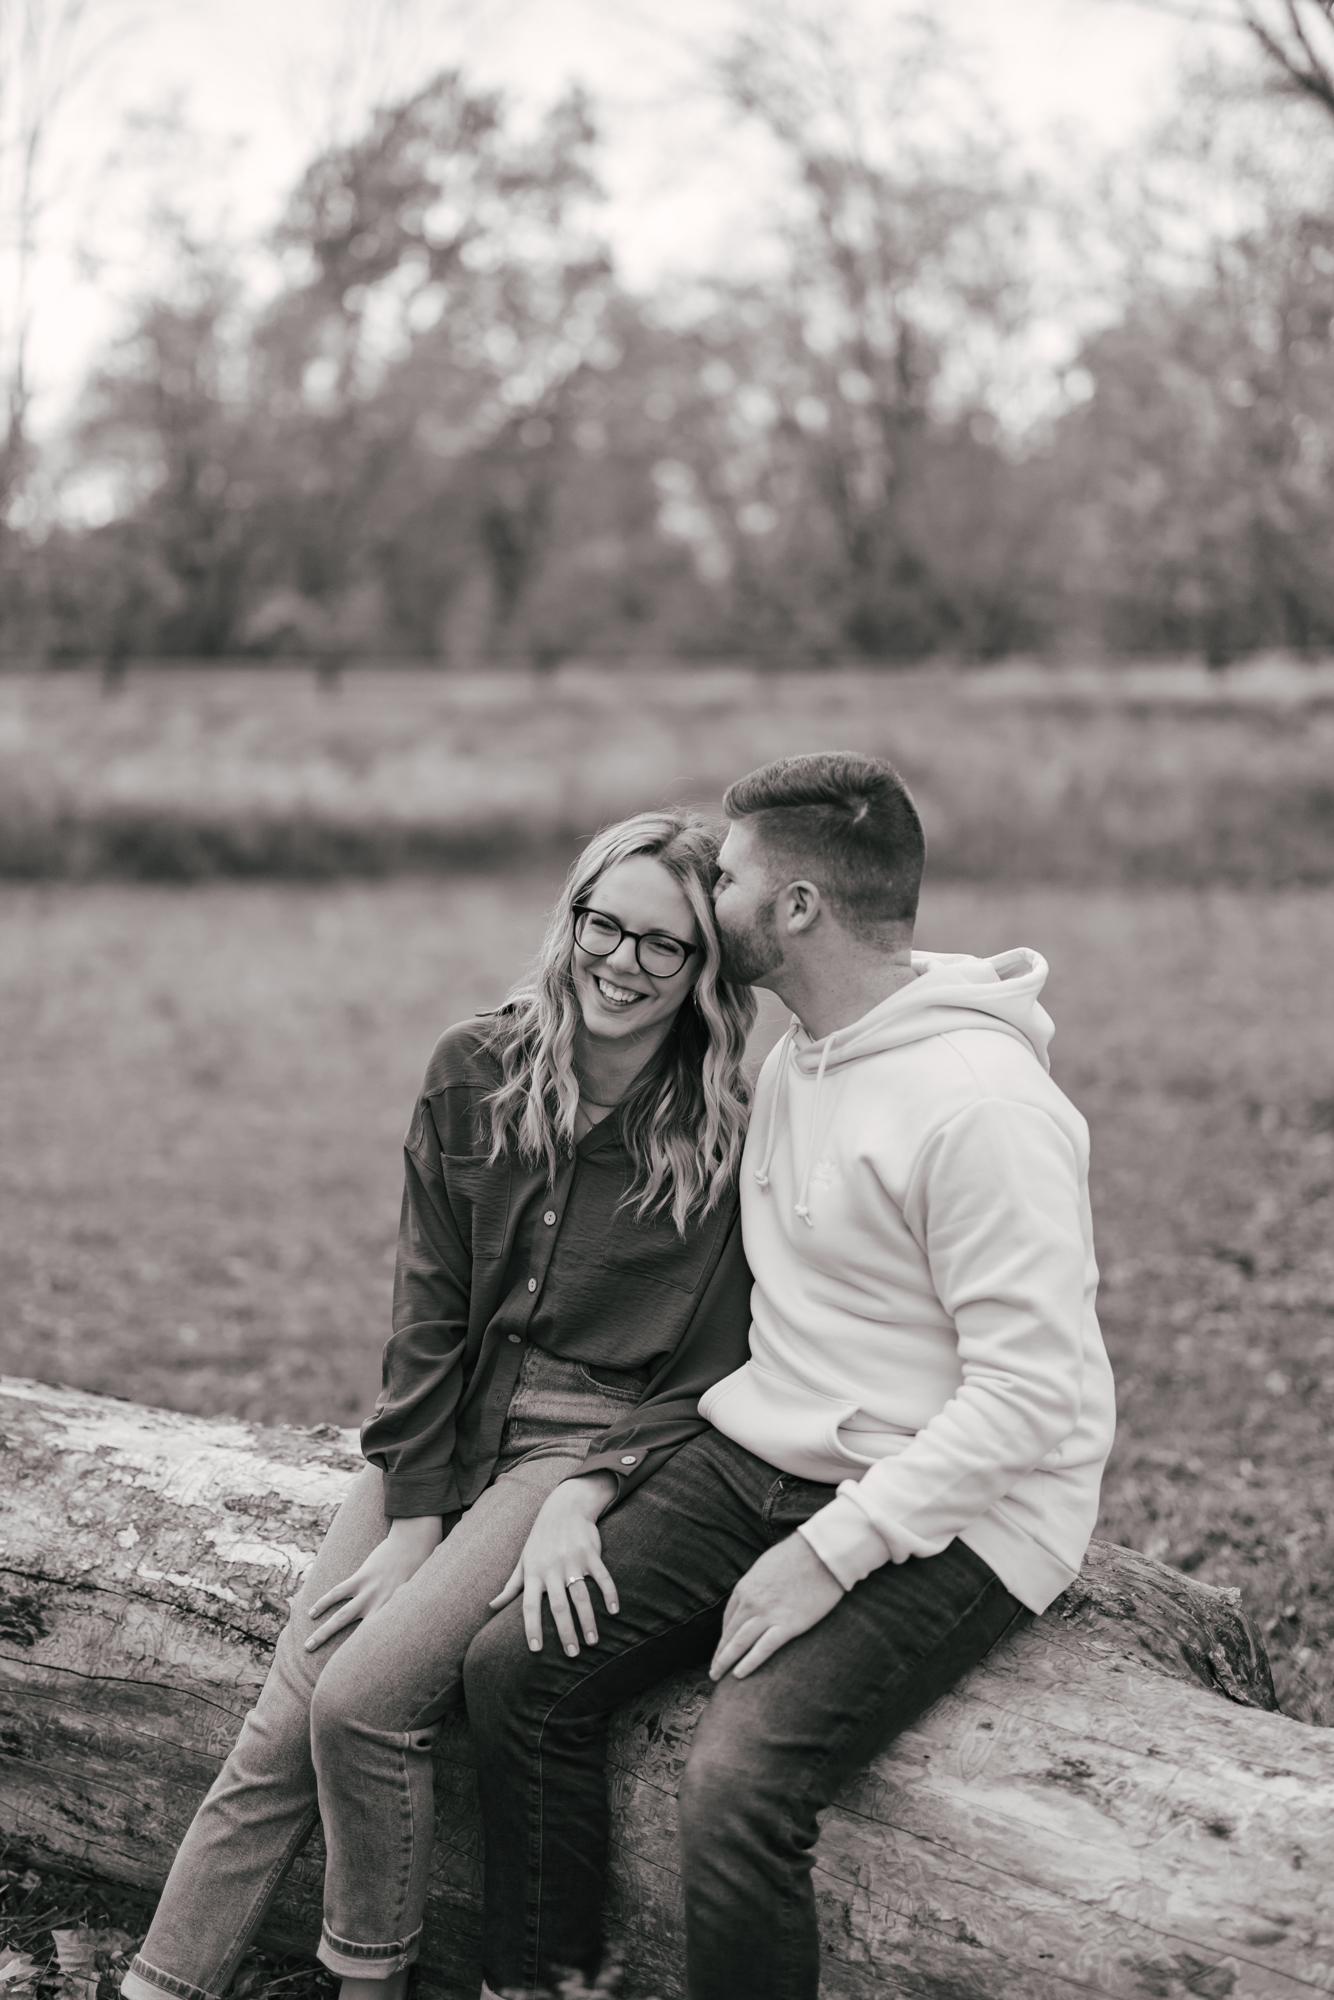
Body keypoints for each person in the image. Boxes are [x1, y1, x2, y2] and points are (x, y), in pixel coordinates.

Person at [465, 751, 1118, 2000]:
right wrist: (595, 1481)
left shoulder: (980, 1106)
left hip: (969, 1504)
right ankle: (550, 1985)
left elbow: (1030, 1396)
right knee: (515, 1668)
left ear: (798, 906)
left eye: (727, 876)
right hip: (765, 1455)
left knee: (739, 1778)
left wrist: (831, 1549)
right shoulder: (793, 1060)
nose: (704, 894)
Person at [120, 808, 757, 2000]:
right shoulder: (476, 1065)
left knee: (363, 1702)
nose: (620, 962)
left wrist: (590, 1486)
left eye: (661, 944)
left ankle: (371, 1984)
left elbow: (706, 1368)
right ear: (570, 916)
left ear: (703, 968)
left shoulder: (726, 1128)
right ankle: (159, 1984)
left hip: (572, 1447)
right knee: (280, 1724)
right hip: (447, 1423)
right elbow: (427, 1309)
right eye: (602, 924)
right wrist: (411, 1512)